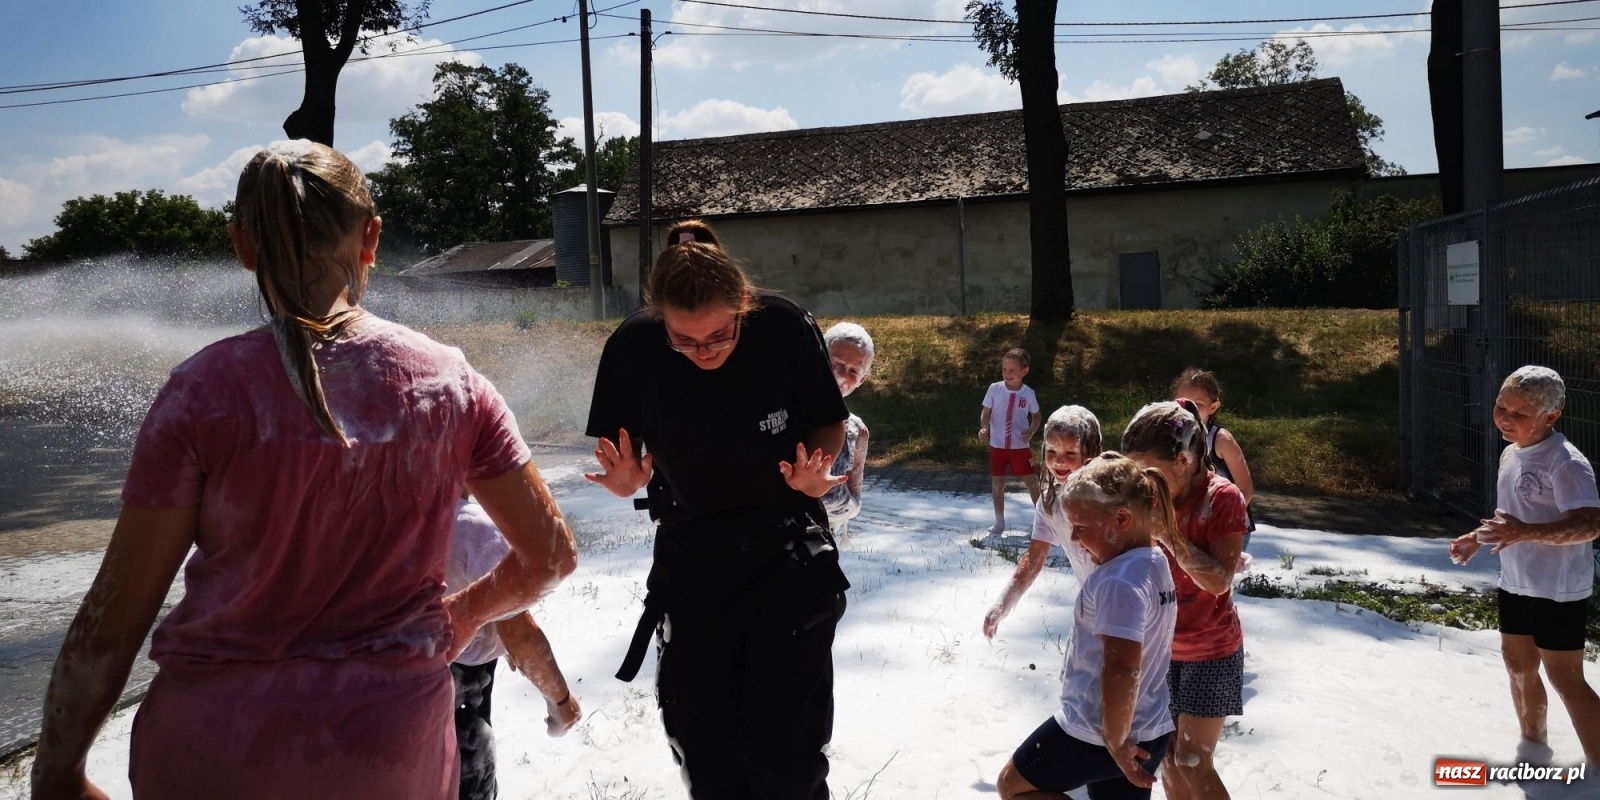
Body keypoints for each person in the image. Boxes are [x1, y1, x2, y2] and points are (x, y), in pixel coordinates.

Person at [28, 140, 578, 800]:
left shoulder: (200, 393)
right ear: (371, 237)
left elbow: (110, 624)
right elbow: (550, 555)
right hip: (385, 755)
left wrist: (58, 772)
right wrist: (462, 616)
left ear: (243, 246)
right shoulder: (451, 384)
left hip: (209, 753)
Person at [584, 219, 851, 800]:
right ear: (660, 319)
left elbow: (828, 421)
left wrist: (815, 472)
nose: (704, 352)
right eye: (684, 341)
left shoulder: (782, 326)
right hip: (693, 554)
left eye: (720, 337)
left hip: (786, 548)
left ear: (744, 307)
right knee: (706, 750)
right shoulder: (633, 347)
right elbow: (617, 452)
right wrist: (625, 478)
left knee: (787, 755)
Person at [996, 452, 1179, 800]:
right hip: (1150, 728)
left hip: (1098, 733)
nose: (1075, 540)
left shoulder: (1118, 581)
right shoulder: (1154, 560)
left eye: (1080, 528)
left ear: (1122, 518)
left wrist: (1114, 741)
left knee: (1013, 786)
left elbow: (1123, 668)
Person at [1449, 366, 1600, 765]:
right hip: (1516, 581)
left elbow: (1590, 525)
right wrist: (1476, 538)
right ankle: (1533, 753)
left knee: (1566, 679)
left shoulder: (1566, 463)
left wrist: (1523, 533)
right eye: (1501, 407)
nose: (1504, 419)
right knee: (1518, 667)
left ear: (1551, 417)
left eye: (1519, 414)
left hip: (1558, 587)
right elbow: (1511, 518)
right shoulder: (1510, 453)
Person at [1122, 399, 1247, 800]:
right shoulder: (1151, 497)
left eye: (1148, 472)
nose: (1141, 484)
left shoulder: (1222, 498)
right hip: (1161, 649)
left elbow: (1219, 581)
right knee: (1169, 755)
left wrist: (1170, 536)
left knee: (1194, 758)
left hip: (1211, 651)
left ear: (1182, 459)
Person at [448, 491, 583, 800]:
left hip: (384, 683)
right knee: (465, 779)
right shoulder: (475, 528)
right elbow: (519, 632)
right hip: (461, 685)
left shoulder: (381, 514)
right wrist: (561, 703)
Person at [983, 405, 1104, 640]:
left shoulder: (1110, 498)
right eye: (1051, 452)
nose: (1059, 462)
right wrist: (1003, 604)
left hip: (1126, 603)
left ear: (1090, 452)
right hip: (1091, 606)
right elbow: (1034, 558)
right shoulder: (1051, 503)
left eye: (1070, 454)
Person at [1171, 368, 1256, 551]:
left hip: (1227, 528)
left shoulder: (1220, 439)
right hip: (1187, 526)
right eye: (1182, 403)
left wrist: (1224, 520)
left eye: (1197, 405)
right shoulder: (1170, 436)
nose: (1188, 410)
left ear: (1213, 407)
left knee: (1215, 577)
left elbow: (1246, 488)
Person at [820, 321, 874, 546]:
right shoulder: (783, 415)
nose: (841, 375)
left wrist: (825, 495)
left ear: (862, 380)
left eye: (853, 371)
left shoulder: (857, 430)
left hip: (823, 540)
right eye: (835, 363)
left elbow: (855, 501)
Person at [979, 347, 1043, 534]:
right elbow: (985, 413)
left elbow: (1037, 416)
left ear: (1024, 371)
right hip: (997, 445)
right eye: (1004, 370)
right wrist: (984, 428)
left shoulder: (1028, 393)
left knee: (1032, 482)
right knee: (997, 484)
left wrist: (1031, 430)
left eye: (1012, 370)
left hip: (1020, 446)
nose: (1007, 374)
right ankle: (999, 521)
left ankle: (1043, 521)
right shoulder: (994, 389)